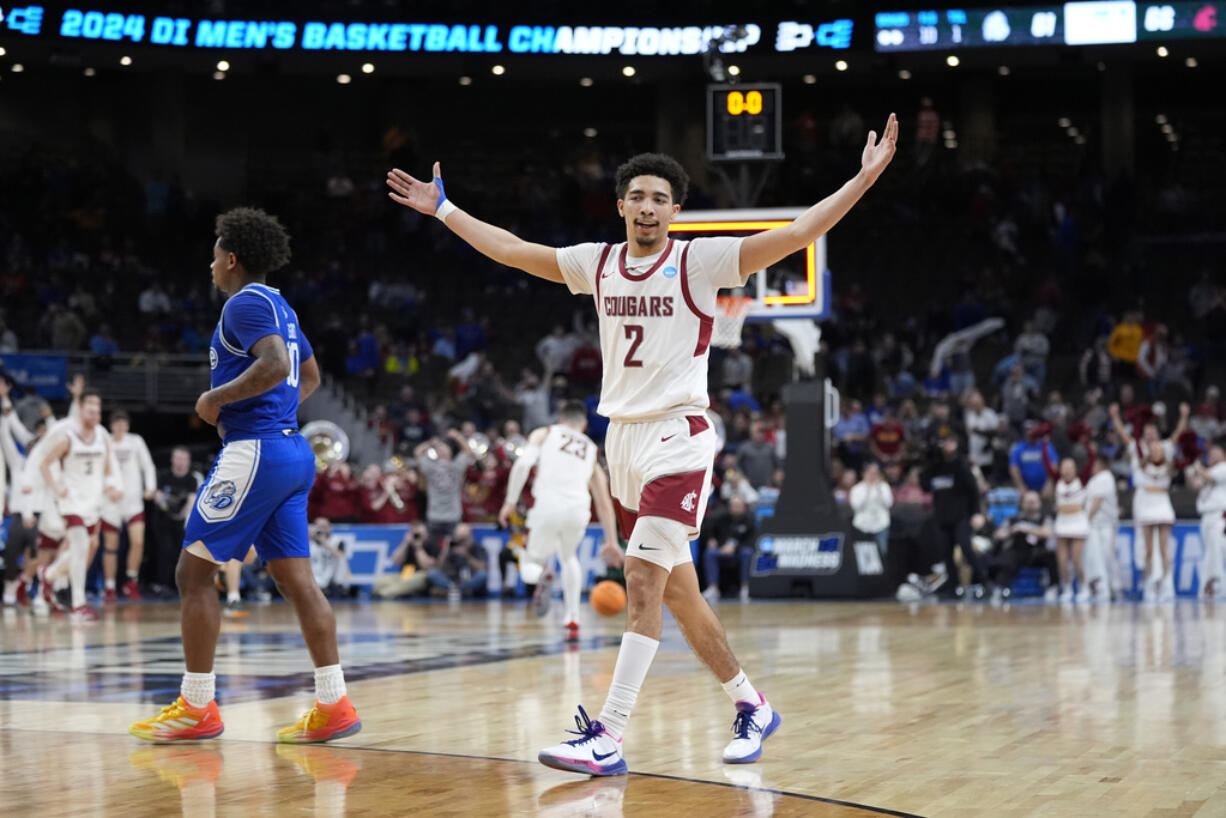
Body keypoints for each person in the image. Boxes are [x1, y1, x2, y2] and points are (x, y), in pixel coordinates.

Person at [387, 116, 898, 774]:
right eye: (639, 196)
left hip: (679, 437)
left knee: (640, 581)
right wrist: (446, 210)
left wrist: (863, 176)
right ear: (621, 204)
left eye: (662, 197)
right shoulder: (597, 263)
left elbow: (799, 233)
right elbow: (514, 250)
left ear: (675, 210)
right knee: (679, 595)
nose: (649, 206)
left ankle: (608, 733)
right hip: (621, 442)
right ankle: (751, 704)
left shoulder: (700, 261)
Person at [129, 207, 361, 744]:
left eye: (214, 255)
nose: (210, 265)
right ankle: (334, 704)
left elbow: (279, 364)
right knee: (296, 581)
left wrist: (217, 399)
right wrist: (277, 414)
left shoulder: (243, 303)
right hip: (291, 450)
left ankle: (197, 706)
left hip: (255, 452)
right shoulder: (281, 304)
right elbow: (311, 374)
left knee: (191, 575)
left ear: (231, 259)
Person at [498, 401, 619, 641]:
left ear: (560, 420)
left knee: (530, 560)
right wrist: (612, 541)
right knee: (569, 556)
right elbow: (604, 502)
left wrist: (510, 501)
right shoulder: (591, 449)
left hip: (547, 503)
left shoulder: (545, 433)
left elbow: (523, 464)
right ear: (583, 425)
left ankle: (540, 575)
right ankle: (572, 618)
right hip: (578, 508)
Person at [37, 389, 123, 621]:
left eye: (98, 411)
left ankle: (49, 574)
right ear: (82, 410)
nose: (95, 414)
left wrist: (111, 486)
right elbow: (44, 464)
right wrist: (57, 488)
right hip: (71, 502)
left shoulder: (103, 439)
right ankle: (78, 603)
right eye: (90, 410)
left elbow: (107, 471)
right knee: (81, 546)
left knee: (83, 549)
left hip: (93, 504)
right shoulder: (68, 437)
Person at [1108, 401, 1188, 602]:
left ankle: (1166, 584)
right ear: (1143, 434)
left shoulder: (1167, 448)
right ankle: (1150, 581)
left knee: (1164, 547)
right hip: (1144, 500)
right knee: (1146, 546)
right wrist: (1116, 417)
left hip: (1162, 501)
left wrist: (1184, 416)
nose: (1151, 435)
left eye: (1153, 431)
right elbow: (1125, 436)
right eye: (1147, 431)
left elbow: (1178, 435)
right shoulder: (1138, 449)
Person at [99, 410, 157, 602]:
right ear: (111, 426)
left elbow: (147, 465)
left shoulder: (136, 441)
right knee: (110, 546)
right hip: (110, 502)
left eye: (123, 424)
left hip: (132, 501)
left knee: (138, 541)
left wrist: (150, 487)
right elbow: (97, 470)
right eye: (117, 424)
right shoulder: (104, 441)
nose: (120, 427)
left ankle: (131, 581)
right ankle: (109, 586)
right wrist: (106, 490)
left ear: (128, 426)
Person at [922, 436, 989, 598]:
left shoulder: (961, 465)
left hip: (961, 516)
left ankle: (985, 582)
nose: (947, 445)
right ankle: (953, 587)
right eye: (945, 442)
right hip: (941, 517)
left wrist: (976, 513)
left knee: (966, 546)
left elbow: (973, 491)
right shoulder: (935, 468)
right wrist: (930, 460)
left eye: (951, 441)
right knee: (946, 552)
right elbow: (925, 486)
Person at [1040, 439, 1096, 603]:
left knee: (1077, 559)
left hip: (1078, 522)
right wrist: (1045, 445)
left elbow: (1091, 461)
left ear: (1075, 469)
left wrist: (1087, 444)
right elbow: (1046, 464)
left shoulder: (1082, 480)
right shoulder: (1057, 481)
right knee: (1062, 561)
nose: (1066, 470)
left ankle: (1083, 587)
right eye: (1064, 467)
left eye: (1070, 467)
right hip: (1063, 523)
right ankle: (1066, 588)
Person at [989, 491, 1058, 601]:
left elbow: (1048, 533)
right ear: (1022, 504)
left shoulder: (1045, 518)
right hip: (1018, 552)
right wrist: (1010, 531)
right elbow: (998, 534)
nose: (1030, 505)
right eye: (1028, 502)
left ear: (1039, 503)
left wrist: (1025, 528)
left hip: (1037, 552)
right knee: (1006, 558)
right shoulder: (1013, 519)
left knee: (1051, 556)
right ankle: (1001, 589)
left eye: (1033, 502)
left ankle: (1053, 587)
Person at [415, 430, 473, 546]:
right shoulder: (431, 467)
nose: (442, 449)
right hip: (434, 516)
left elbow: (467, 451)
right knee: (433, 549)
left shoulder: (456, 466)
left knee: (455, 549)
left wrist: (457, 436)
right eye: (439, 448)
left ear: (450, 451)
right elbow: (417, 453)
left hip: (452, 517)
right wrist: (430, 443)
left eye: (444, 447)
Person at [700, 495, 757, 603]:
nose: (735, 508)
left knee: (747, 553)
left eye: (738, 506)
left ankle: (744, 587)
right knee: (710, 553)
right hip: (721, 549)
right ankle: (713, 588)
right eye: (733, 506)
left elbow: (751, 541)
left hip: (739, 551)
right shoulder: (721, 517)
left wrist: (734, 548)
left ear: (744, 507)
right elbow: (708, 528)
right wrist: (711, 539)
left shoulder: (749, 519)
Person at [1191, 445, 1226, 599]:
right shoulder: (1209, 470)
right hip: (1206, 516)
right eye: (1209, 453)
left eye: (1215, 452)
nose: (1211, 455)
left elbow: (1210, 478)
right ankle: (1209, 587)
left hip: (1219, 515)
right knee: (1210, 552)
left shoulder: (1223, 468)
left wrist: (1197, 468)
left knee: (1217, 551)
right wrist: (1190, 470)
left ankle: (1218, 588)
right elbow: (1195, 485)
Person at [1084, 457, 1120, 601]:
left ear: (1100, 464)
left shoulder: (1105, 477)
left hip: (1104, 525)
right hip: (1094, 525)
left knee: (1105, 555)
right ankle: (1100, 587)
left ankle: (1110, 586)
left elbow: (1097, 502)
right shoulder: (1094, 480)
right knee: (1094, 556)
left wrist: (1085, 519)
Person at [850, 463, 894, 557]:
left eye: (876, 473)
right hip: (862, 526)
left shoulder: (884, 487)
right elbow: (856, 506)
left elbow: (889, 504)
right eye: (870, 472)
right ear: (864, 473)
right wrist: (867, 490)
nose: (873, 475)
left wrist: (879, 489)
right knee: (862, 555)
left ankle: (882, 572)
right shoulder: (857, 489)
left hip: (881, 525)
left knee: (882, 554)